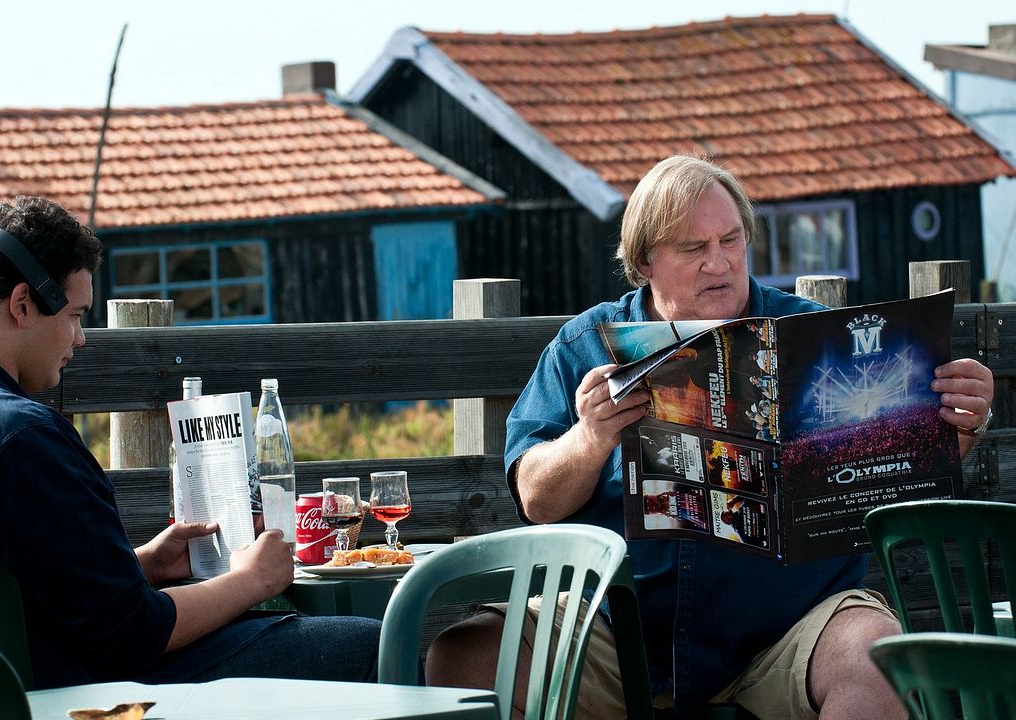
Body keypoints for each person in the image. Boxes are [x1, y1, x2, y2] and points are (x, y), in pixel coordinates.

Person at [424, 156, 995, 719]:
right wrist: (589, 438)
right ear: (644, 261)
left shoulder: (812, 334)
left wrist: (958, 426)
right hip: (616, 634)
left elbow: (897, 474)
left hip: (790, 631)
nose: (719, 262)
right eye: (694, 248)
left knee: (876, 660)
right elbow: (536, 500)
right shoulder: (586, 346)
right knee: (463, 656)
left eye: (730, 240)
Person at [0, 197, 380, 699]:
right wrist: (253, 579)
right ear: (21, 304)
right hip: (61, 692)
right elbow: (130, 635)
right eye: (75, 315)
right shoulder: (20, 435)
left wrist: (141, 565)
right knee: (371, 645)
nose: (80, 339)